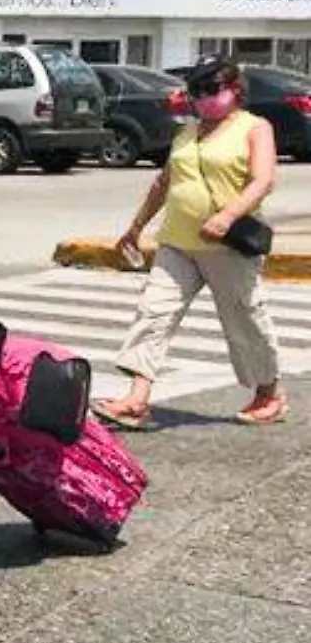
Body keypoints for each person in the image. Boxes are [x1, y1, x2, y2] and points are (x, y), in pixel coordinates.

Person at [94, 55, 287, 428]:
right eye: (196, 91)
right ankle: (137, 399)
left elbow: (263, 180)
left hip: (227, 244)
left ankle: (269, 393)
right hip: (178, 242)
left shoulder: (254, 127)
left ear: (234, 88)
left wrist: (228, 215)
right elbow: (163, 183)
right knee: (154, 312)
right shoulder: (187, 132)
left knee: (244, 318)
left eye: (212, 89)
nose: (203, 98)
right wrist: (135, 228)